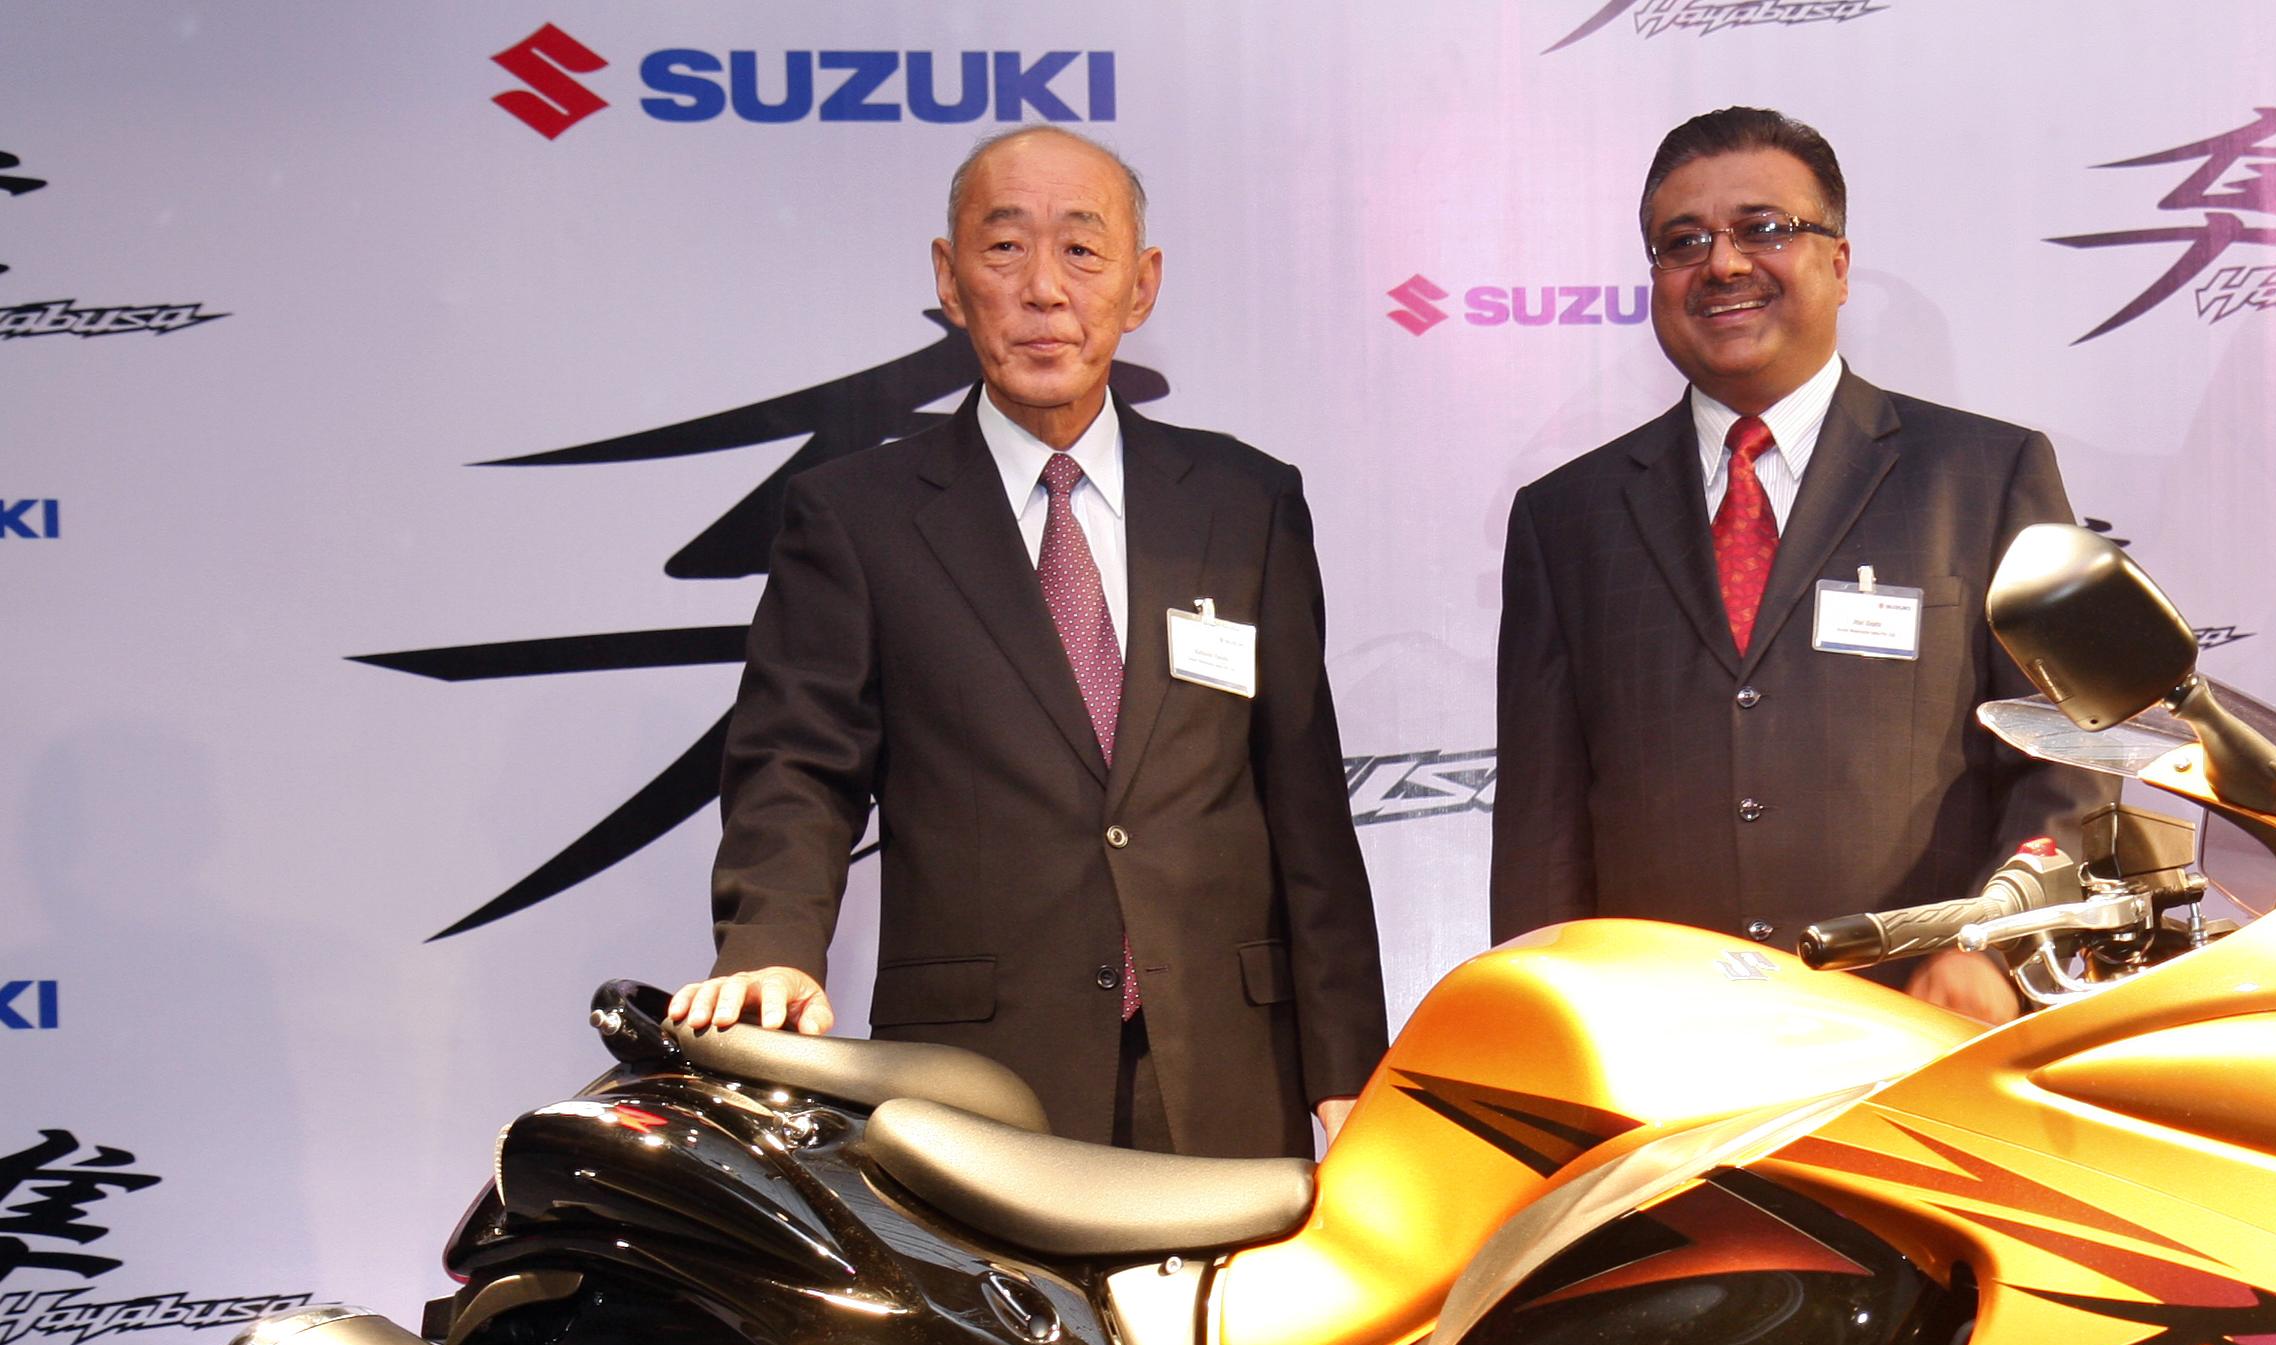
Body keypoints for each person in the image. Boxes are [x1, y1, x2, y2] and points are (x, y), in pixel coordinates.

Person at [678, 126, 1386, 1154]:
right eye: (1005, 248)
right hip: (975, 1078)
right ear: (949, 278)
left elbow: (1304, 801)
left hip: (1227, 1065)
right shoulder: (856, 517)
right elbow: (798, 766)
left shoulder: (1246, 502)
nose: (1045, 289)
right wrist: (771, 944)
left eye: (1083, 250)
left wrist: (1348, 1066)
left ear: (1141, 286)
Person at [1490, 106, 2113, 1022]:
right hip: (1663, 1042)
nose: (1723, 264)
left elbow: (2069, 756)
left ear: (1839, 264)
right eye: (1683, 242)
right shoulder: (1567, 518)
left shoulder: (1984, 476)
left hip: (1925, 1028)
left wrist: (1998, 947)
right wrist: (1540, 1027)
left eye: (1764, 229)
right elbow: (1540, 833)